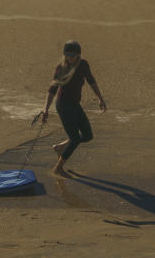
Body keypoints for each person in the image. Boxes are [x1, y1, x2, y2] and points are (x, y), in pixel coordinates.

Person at [41, 40, 107, 177]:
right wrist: (45, 109)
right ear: (64, 54)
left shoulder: (83, 65)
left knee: (88, 135)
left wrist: (100, 98)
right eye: (68, 54)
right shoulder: (61, 68)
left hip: (75, 105)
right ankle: (58, 168)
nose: (70, 57)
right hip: (63, 106)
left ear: (78, 55)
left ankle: (60, 147)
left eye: (73, 55)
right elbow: (52, 90)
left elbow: (91, 81)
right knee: (75, 139)